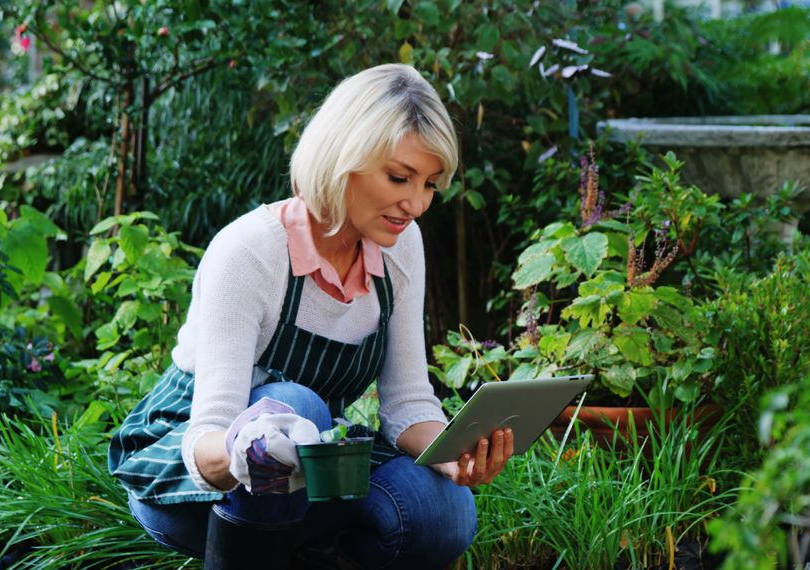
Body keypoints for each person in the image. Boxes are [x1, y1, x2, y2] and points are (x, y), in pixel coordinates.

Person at [108, 63, 513, 569]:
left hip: (315, 468)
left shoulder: (401, 245)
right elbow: (205, 439)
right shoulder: (249, 253)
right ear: (344, 159)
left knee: (442, 509)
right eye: (399, 177)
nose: (416, 203)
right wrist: (245, 449)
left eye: (430, 184)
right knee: (293, 405)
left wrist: (452, 452)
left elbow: (408, 403)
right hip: (201, 487)